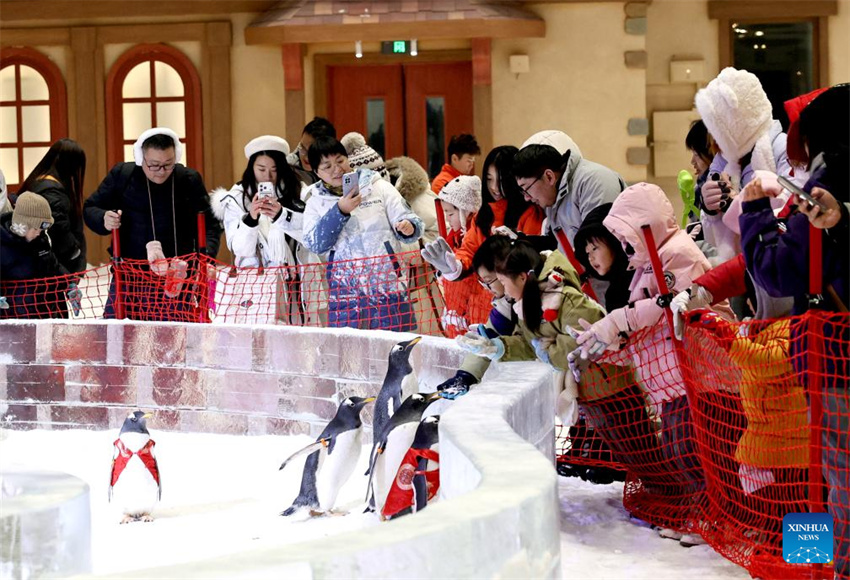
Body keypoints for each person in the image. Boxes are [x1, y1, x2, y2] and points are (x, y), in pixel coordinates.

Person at [573, 182, 734, 545]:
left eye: (626, 237)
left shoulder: (678, 252)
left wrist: (618, 322)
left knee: (700, 450)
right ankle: (699, 512)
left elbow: (671, 304)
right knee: (681, 449)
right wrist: (607, 345)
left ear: (644, 225)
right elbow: (645, 329)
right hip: (674, 381)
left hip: (703, 375)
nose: (624, 247)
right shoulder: (647, 265)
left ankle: (713, 516)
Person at [738, 84, 848, 579]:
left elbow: (780, 269)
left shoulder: (827, 180)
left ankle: (828, 566)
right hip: (816, 351)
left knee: (828, 475)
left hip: (828, 355)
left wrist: (753, 212)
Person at [83, 127, 221, 321]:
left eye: (168, 164)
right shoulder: (123, 175)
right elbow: (90, 208)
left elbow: (211, 225)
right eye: (154, 165)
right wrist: (103, 218)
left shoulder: (188, 180)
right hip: (130, 277)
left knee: (176, 341)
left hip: (178, 277)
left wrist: (204, 259)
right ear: (141, 159)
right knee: (120, 337)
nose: (161, 172)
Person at [301, 136, 424, 330]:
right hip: (345, 293)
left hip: (388, 285)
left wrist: (409, 226)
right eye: (327, 166)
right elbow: (315, 244)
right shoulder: (315, 202)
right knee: (352, 356)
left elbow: (411, 220)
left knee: (396, 352)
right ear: (316, 171)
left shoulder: (378, 186)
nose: (337, 169)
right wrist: (340, 210)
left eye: (340, 160)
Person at [694, 67, 793, 264]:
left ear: (736, 122)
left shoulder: (782, 148)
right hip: (738, 266)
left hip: (776, 263)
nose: (713, 136)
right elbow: (715, 236)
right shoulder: (724, 158)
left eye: (718, 127)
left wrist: (738, 205)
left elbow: (790, 213)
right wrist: (710, 207)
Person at [211, 135, 308, 324]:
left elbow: (310, 236)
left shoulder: (299, 191)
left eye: (274, 169)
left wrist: (282, 215)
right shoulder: (237, 199)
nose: (268, 176)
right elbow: (240, 249)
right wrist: (251, 219)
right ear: (251, 168)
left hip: (296, 286)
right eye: (261, 169)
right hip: (255, 285)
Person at [421, 145, 545, 283]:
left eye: (501, 180)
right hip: (483, 297)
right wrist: (455, 266)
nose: (494, 187)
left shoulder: (529, 214)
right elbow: (469, 249)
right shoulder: (484, 214)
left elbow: (531, 260)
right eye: (489, 179)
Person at [513, 130, 625, 248]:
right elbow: (558, 246)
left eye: (526, 188)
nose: (526, 197)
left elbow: (599, 247)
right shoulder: (554, 194)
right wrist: (520, 242)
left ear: (549, 176)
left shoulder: (594, 182)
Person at [18, 138, 88, 275]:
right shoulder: (52, 192)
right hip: (51, 266)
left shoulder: (38, 181)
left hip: (37, 261)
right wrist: (76, 254)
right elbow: (59, 232)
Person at [432, 175, 490, 337]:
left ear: (465, 211)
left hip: (476, 307)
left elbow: (467, 260)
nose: (447, 219)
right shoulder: (454, 237)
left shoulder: (475, 235)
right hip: (458, 307)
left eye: (450, 213)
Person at [0, 192, 71, 319]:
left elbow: (53, 266)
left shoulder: (40, 242)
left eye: (42, 230)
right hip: (13, 320)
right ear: (22, 225)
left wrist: (69, 285)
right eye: (36, 229)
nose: (39, 233)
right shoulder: (2, 246)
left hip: (43, 316)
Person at [573, 202, 634, 311]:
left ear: (615, 242)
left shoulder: (639, 281)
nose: (590, 258)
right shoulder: (613, 293)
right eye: (587, 253)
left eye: (594, 249)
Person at [287, 116, 336, 185]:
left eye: (312, 152)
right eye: (303, 147)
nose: (306, 157)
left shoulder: (338, 169)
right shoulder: (288, 168)